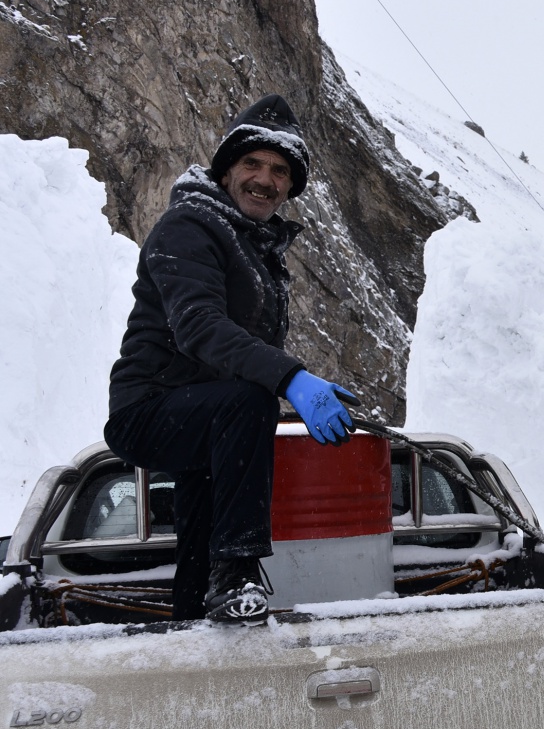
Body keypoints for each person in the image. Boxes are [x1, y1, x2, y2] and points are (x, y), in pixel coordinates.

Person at [103, 95, 358, 624]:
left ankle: (199, 618)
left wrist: (290, 382)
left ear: (290, 187)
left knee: (199, 545)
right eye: (252, 163)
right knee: (248, 401)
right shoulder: (188, 226)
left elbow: (241, 353)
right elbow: (198, 325)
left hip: (209, 417)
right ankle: (239, 571)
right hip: (150, 408)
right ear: (226, 172)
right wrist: (291, 379)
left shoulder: (256, 249)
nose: (265, 179)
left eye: (280, 171)